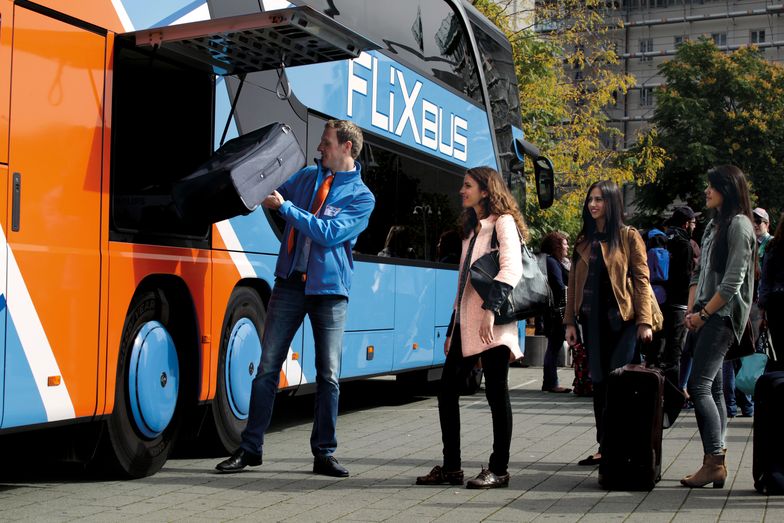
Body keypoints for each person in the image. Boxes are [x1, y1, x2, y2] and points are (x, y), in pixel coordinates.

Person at [215, 120, 375, 476]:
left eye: (326, 143)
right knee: (267, 368)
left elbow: (329, 233)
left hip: (329, 292)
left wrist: (286, 209)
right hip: (290, 284)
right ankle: (250, 448)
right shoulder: (306, 177)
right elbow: (268, 187)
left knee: (328, 375)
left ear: (347, 147)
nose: (320, 148)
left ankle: (324, 453)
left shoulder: (362, 197)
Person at [416, 166, 524, 489]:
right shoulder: (472, 229)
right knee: (447, 391)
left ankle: (499, 469)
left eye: (468, 186)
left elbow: (511, 268)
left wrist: (491, 309)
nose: (462, 191)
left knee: (496, 393)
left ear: (486, 191)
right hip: (467, 325)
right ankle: (452, 467)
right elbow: (463, 284)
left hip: (493, 325)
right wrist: (452, 328)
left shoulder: (503, 223)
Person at [564, 180, 654, 467]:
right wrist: (569, 322)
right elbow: (572, 285)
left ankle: (619, 445)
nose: (593, 204)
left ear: (612, 202)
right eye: (591, 199)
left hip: (623, 321)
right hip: (591, 323)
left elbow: (641, 279)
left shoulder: (628, 236)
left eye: (600, 199)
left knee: (618, 381)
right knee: (600, 384)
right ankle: (605, 446)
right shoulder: (584, 240)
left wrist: (644, 320)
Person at [681, 165, 755, 489]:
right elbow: (699, 273)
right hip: (705, 312)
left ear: (727, 188)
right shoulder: (712, 226)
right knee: (712, 388)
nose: (706, 192)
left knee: (698, 386)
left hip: (723, 316)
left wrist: (706, 315)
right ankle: (717, 456)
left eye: (711, 186)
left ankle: (714, 460)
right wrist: (691, 310)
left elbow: (733, 281)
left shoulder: (739, 225)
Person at [540, 231, 571, 393]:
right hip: (557, 312)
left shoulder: (552, 261)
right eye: (564, 243)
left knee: (554, 345)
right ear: (556, 246)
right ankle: (551, 383)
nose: (567, 246)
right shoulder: (552, 262)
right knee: (554, 346)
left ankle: (550, 382)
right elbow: (559, 287)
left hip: (555, 311)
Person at [758, 212, 784, 370]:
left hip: (776, 303)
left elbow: (765, 280)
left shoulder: (772, 246)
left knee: (779, 351)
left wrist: (762, 310)